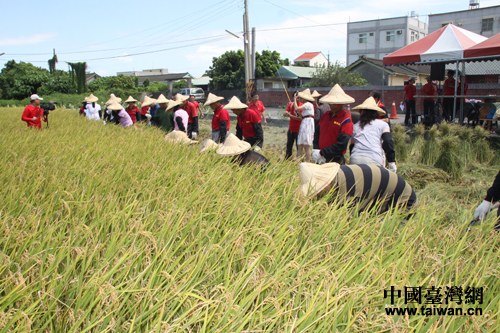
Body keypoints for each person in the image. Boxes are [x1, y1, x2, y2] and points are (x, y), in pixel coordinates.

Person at [298, 162, 416, 214]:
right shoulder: (337, 177)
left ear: (326, 184)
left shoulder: (349, 189)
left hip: (403, 199)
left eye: (318, 191)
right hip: (380, 194)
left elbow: (349, 221)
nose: (317, 195)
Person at [350, 97, 397, 173]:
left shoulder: (355, 126)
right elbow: (388, 141)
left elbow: (352, 146)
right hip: (374, 159)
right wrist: (391, 162)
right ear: (376, 113)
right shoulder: (383, 125)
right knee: (375, 183)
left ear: (361, 112)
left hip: (355, 159)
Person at [314, 84, 354, 164]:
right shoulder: (326, 115)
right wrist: (316, 150)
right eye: (330, 103)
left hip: (335, 159)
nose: (331, 105)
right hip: (320, 156)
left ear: (341, 103)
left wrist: (323, 152)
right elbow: (317, 133)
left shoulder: (346, 119)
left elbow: (342, 144)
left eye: (334, 103)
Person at [293, 88, 316, 162]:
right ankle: (299, 161)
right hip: (305, 122)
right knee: (300, 144)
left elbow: (297, 108)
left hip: (307, 123)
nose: (300, 99)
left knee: (306, 145)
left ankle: (307, 161)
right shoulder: (306, 105)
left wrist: (294, 99)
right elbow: (300, 113)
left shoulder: (308, 104)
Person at [283, 93, 302, 159]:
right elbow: (285, 114)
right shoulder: (290, 104)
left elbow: (300, 118)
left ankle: (299, 159)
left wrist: (290, 115)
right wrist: (286, 113)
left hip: (299, 130)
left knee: (298, 146)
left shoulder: (302, 106)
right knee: (289, 145)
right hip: (291, 129)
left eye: (298, 97)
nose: (297, 99)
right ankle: (287, 158)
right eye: (296, 97)